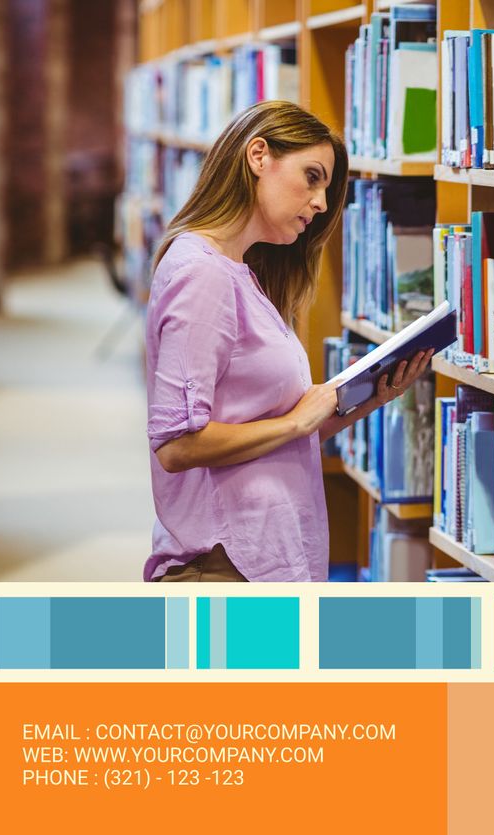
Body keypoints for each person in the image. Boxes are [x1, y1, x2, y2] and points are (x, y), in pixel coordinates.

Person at [142, 100, 433, 583]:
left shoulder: (242, 273)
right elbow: (177, 445)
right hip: (224, 566)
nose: (320, 203)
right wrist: (298, 420)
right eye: (312, 176)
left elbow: (268, 435)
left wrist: (359, 401)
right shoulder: (202, 273)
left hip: (267, 557)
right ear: (259, 156)